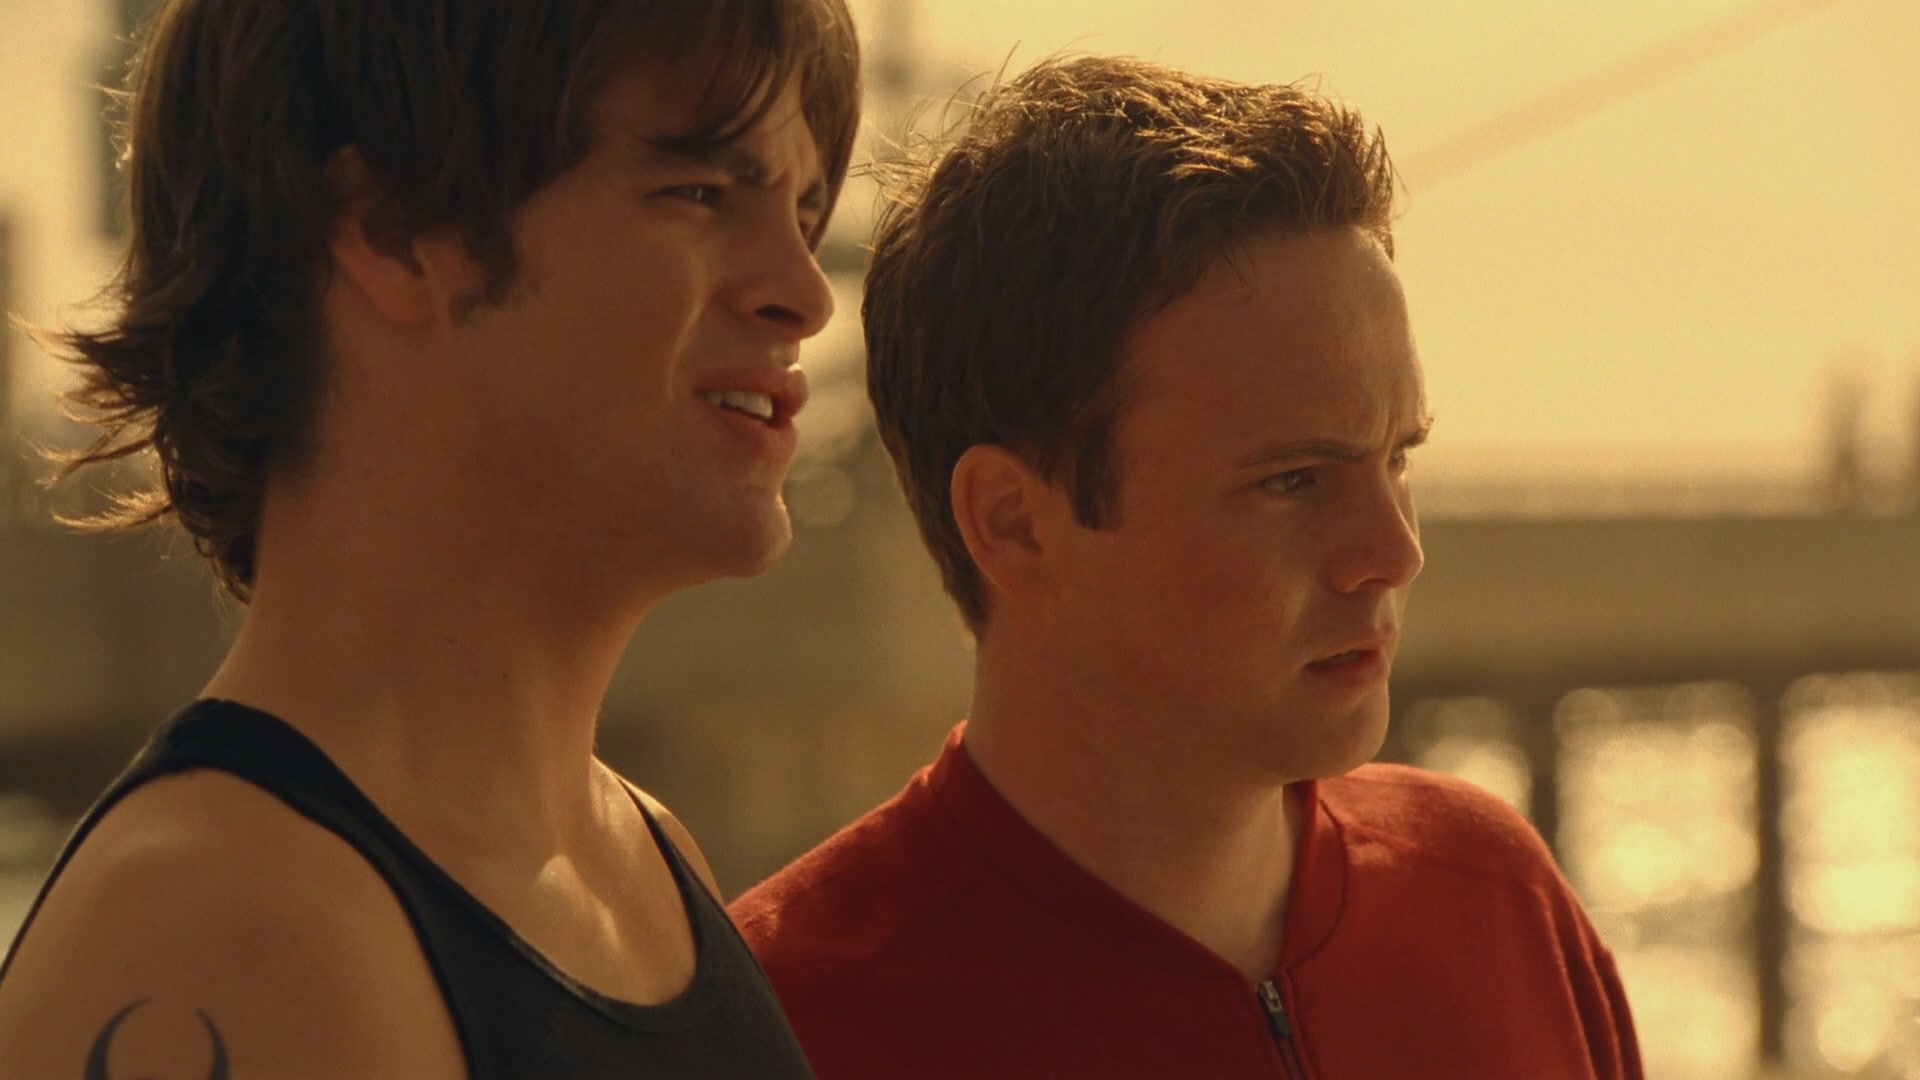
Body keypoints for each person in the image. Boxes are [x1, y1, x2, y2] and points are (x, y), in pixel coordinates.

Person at [731, 55, 1644, 1080]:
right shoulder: (785, 1029)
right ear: (1015, 524)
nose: (1394, 553)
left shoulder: (1494, 902)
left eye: (1398, 460)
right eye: (1294, 481)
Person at [0, 1, 858, 1077]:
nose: (806, 294)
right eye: (698, 193)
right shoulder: (226, 933)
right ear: (393, 232)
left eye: (805, 211)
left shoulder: (648, 864)